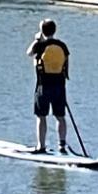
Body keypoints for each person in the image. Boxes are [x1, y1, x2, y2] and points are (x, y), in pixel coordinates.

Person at [26, 18, 70, 154]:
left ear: (42, 31)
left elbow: (29, 53)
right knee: (60, 116)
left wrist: (36, 40)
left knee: (41, 116)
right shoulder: (62, 46)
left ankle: (41, 146)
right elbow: (66, 64)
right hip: (59, 85)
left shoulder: (40, 45)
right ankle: (62, 145)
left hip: (43, 86)